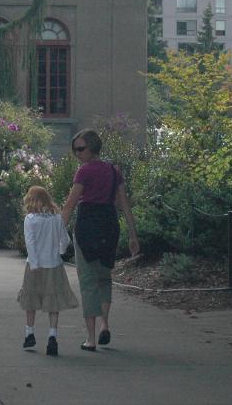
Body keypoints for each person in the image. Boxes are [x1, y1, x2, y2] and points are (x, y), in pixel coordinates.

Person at [60, 129, 140, 352]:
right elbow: (124, 205)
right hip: (109, 225)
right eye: (75, 149)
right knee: (104, 278)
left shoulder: (84, 172)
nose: (77, 154)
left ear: (92, 147)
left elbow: (70, 204)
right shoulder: (114, 172)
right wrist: (133, 235)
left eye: (80, 149)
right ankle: (105, 323)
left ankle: (91, 338)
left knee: (87, 282)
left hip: (87, 225)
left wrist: (58, 232)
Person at [16, 185, 79, 357]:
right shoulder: (56, 218)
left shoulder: (30, 219)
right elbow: (64, 240)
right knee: (53, 301)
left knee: (31, 299)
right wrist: (59, 251)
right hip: (54, 264)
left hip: (35, 265)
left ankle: (29, 333)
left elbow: (30, 243)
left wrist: (35, 263)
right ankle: (52, 335)